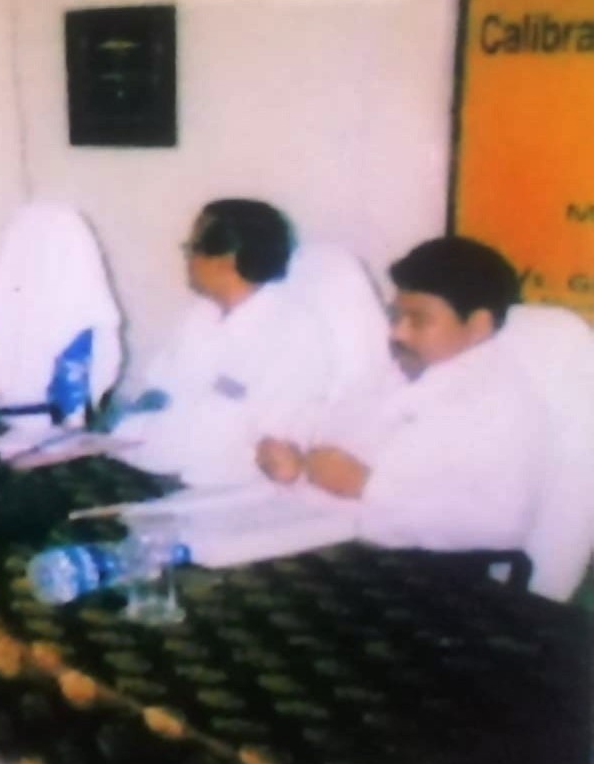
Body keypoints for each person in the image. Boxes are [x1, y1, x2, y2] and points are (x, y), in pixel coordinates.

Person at [256, 236, 550, 556]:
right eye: (395, 316)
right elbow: (335, 449)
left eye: (419, 321)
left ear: (479, 325)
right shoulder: (402, 373)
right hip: (323, 537)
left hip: (415, 569)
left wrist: (367, 486)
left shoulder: (499, 403)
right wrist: (295, 464)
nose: (397, 333)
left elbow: (503, 525)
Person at [111, 199, 333, 486]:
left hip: (201, 485)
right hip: (137, 461)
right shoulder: (201, 315)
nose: (187, 259)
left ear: (225, 261)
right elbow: (156, 391)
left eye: (192, 248)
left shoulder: (293, 334)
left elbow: (258, 443)